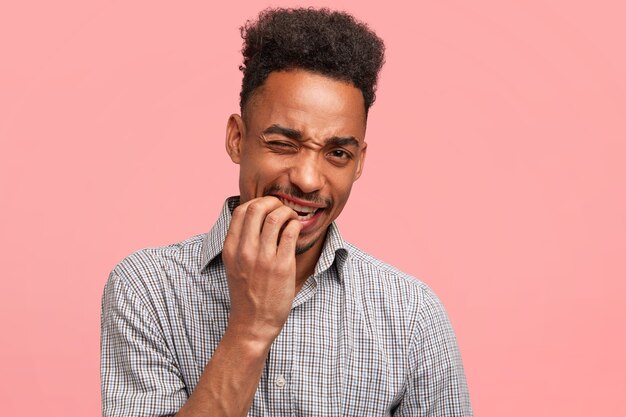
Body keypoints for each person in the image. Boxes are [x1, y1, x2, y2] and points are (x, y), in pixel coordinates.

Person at [101, 7, 472, 417]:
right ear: (237, 139)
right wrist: (250, 329)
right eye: (283, 143)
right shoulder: (147, 292)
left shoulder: (412, 316)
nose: (309, 179)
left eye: (337, 153)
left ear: (359, 162)